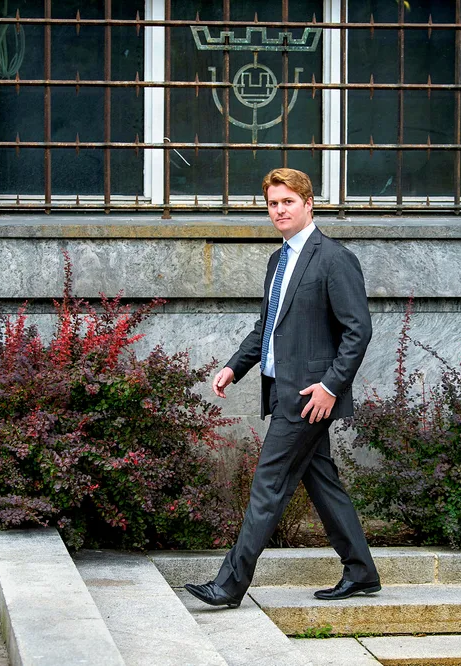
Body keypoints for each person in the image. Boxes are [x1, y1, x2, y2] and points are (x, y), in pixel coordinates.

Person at [184, 168, 380, 608]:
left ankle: (228, 585)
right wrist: (235, 367)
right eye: (273, 203)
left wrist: (331, 386)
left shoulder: (334, 258)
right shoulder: (278, 260)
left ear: (308, 204)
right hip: (281, 389)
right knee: (322, 481)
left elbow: (358, 331)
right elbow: (267, 326)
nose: (279, 210)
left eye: (288, 201)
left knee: (268, 485)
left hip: (309, 396)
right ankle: (362, 571)